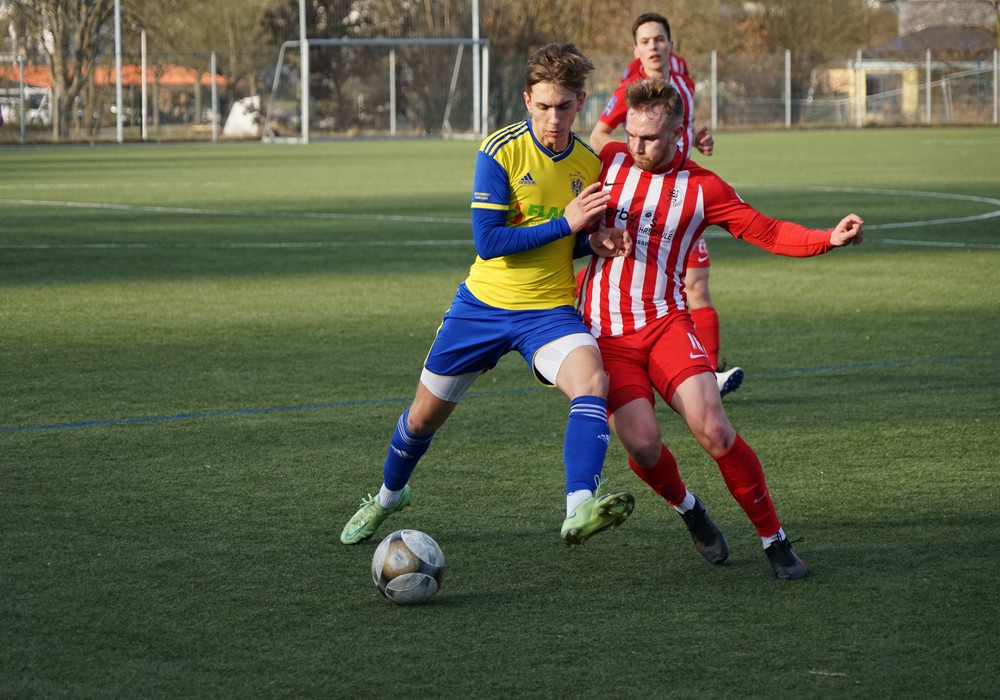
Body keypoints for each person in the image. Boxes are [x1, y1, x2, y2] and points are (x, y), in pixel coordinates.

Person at [341, 43, 635, 549]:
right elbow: (490, 241)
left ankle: (579, 507)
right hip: (481, 307)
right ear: (527, 100)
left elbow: (567, 240)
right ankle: (388, 497)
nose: (554, 118)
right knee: (422, 418)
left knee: (593, 380)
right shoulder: (499, 150)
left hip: (548, 311)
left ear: (582, 102)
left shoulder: (589, 164)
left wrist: (592, 242)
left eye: (565, 106)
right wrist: (567, 224)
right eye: (544, 106)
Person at [577, 79, 864, 579]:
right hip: (605, 334)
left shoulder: (703, 188)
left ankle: (774, 540)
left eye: (650, 138)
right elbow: (567, 221)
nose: (637, 146)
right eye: (631, 134)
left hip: (666, 323)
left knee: (713, 427)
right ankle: (691, 510)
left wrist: (827, 238)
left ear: (677, 134)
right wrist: (590, 235)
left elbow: (767, 230)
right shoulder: (607, 161)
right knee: (642, 445)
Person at [589, 12, 743, 398]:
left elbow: (679, 130)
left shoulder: (683, 80)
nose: (653, 47)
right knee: (636, 279)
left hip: (682, 199)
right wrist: (629, 162)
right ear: (636, 50)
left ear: (671, 44)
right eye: (645, 41)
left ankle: (710, 372)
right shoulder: (630, 90)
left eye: (659, 39)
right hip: (647, 203)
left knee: (698, 284)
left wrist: (697, 138)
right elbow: (598, 134)